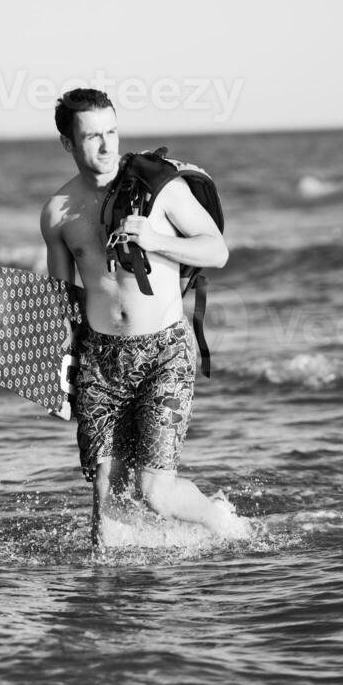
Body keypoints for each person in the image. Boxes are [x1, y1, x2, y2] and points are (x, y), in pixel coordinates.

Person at [40, 88, 233, 544]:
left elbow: (217, 250)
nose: (107, 146)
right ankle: (112, 597)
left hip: (163, 351)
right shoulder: (56, 213)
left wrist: (153, 239)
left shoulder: (160, 188)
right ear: (68, 143)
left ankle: (223, 523)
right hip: (100, 360)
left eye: (111, 132)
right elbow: (61, 299)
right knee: (105, 512)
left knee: (154, 492)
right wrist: (60, 369)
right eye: (92, 137)